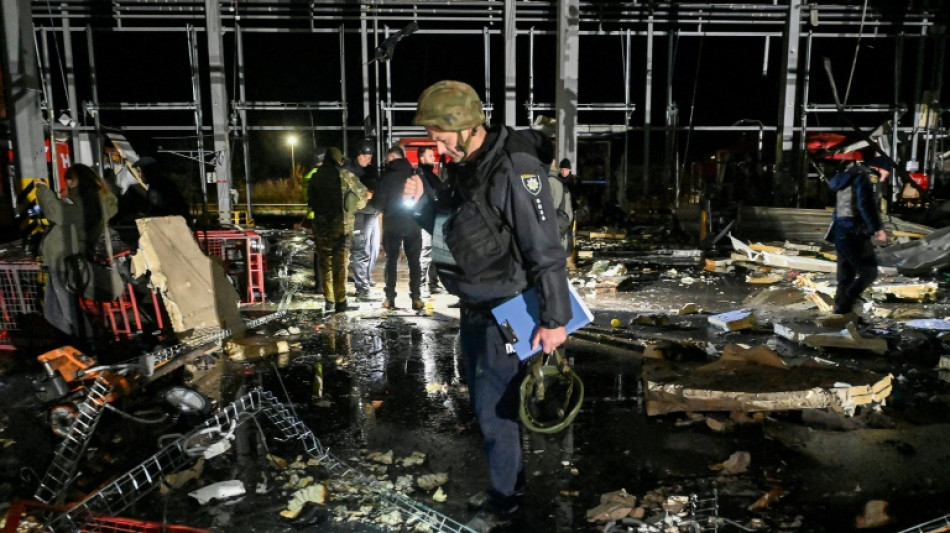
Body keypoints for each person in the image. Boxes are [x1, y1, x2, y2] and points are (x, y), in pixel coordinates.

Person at [403, 80, 571, 532]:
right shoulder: (469, 166)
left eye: (439, 134)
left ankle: (505, 503)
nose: (435, 144)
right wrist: (423, 206)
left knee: (495, 411)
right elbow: (456, 231)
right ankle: (506, 487)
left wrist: (556, 319)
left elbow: (545, 247)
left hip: (509, 310)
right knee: (488, 408)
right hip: (476, 307)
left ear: (466, 126)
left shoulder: (512, 167)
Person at [36, 164, 118, 342]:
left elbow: (55, 213)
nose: (66, 186)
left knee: (67, 310)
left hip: (65, 260)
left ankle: (86, 345)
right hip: (62, 260)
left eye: (68, 182)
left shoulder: (85, 203)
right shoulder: (94, 201)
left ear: (75, 181)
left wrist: (42, 190)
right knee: (53, 312)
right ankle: (72, 346)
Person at [825, 154, 889, 316]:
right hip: (854, 231)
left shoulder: (849, 177)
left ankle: (841, 316)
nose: (887, 175)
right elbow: (865, 205)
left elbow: (842, 207)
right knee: (869, 272)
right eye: (888, 171)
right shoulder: (866, 178)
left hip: (840, 230)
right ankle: (845, 304)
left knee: (845, 276)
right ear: (881, 168)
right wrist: (877, 228)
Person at [309, 147, 368, 313]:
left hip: (321, 227)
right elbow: (362, 197)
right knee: (340, 263)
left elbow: (311, 201)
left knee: (325, 263)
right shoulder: (345, 175)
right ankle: (341, 301)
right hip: (341, 227)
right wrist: (352, 206)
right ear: (339, 160)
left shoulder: (315, 177)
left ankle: (329, 299)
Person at [372, 146, 424, 310]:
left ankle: (390, 298)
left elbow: (378, 204)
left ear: (393, 158)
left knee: (391, 261)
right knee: (414, 262)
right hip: (414, 225)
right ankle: (416, 298)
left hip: (392, 225)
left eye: (388, 160)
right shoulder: (415, 175)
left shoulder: (387, 178)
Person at [345, 139, 381, 301]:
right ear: (358, 155)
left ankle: (365, 279)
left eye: (370, 157)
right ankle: (362, 289)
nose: (369, 160)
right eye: (365, 156)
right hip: (358, 214)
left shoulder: (371, 170)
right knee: (361, 250)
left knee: (373, 248)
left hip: (372, 212)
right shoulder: (348, 170)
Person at [415, 145, 446, 296]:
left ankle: (432, 283)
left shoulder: (430, 174)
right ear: (422, 158)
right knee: (426, 251)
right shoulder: (420, 174)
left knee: (435, 252)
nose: (433, 159)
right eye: (430, 156)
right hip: (426, 218)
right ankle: (421, 284)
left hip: (434, 217)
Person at [133, 157, 190, 221]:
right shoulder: (165, 184)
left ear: (148, 171)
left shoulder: (156, 188)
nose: (139, 176)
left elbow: (158, 213)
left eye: (139, 171)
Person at [301, 152, 325, 294]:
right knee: (323, 251)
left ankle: (319, 283)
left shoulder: (308, 175)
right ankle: (322, 285)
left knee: (318, 250)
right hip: (321, 216)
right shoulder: (320, 175)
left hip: (313, 215)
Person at [552, 158, 575, 259]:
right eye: (562, 169)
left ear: (569, 170)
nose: (564, 171)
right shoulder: (557, 181)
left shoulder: (572, 183)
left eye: (566, 169)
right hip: (561, 215)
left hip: (567, 214)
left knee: (568, 237)